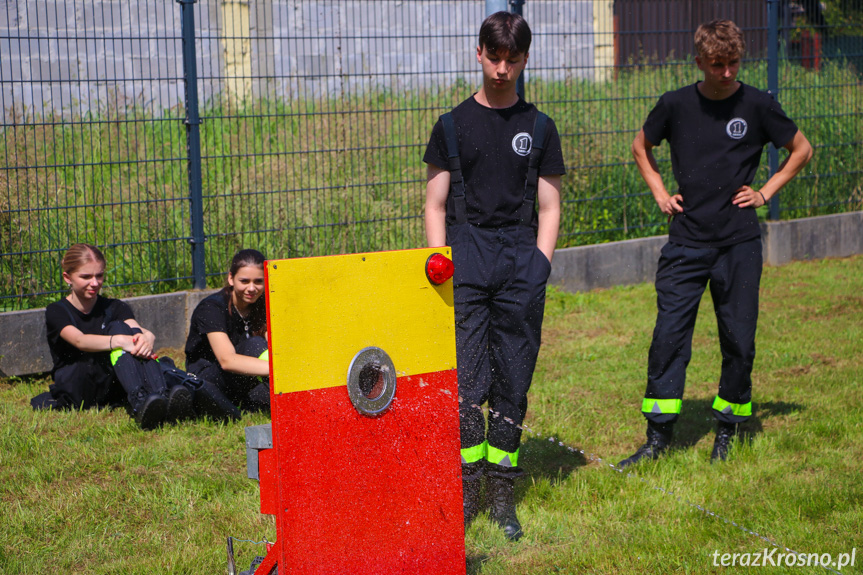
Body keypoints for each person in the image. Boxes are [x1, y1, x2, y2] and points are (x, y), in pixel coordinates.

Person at [619, 19, 813, 467]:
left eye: (734, 64)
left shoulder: (760, 105)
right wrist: (660, 193)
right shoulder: (675, 104)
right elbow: (640, 146)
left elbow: (800, 150)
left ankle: (729, 428)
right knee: (668, 337)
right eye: (718, 65)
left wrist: (765, 192)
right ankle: (658, 438)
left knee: (739, 339)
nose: (727, 73)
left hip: (738, 243)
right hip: (686, 242)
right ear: (699, 62)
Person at [423, 11, 565, 540]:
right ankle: (466, 489)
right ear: (478, 53)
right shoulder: (452, 125)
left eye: (513, 59)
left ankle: (503, 495)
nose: (502, 69)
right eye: (495, 57)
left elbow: (549, 208)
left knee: (512, 380)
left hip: (519, 261)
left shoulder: (540, 127)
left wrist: (540, 265)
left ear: (524, 60)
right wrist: (438, 260)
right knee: (465, 383)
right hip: (464, 260)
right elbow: (436, 203)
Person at [32, 243, 194, 430]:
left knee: (124, 329)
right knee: (121, 333)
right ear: (67, 277)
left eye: (99, 275)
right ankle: (145, 401)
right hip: (79, 384)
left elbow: (135, 331)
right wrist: (117, 341)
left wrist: (147, 337)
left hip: (112, 382)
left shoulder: (115, 306)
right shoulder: (57, 311)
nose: (95, 283)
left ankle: (159, 397)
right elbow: (80, 340)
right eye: (86, 277)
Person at [185, 249, 270, 412]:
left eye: (258, 281)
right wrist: (278, 370)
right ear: (231, 278)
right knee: (255, 344)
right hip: (209, 379)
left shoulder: (262, 304)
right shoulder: (212, 308)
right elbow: (227, 360)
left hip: (244, 377)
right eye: (244, 281)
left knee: (273, 400)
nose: (252, 288)